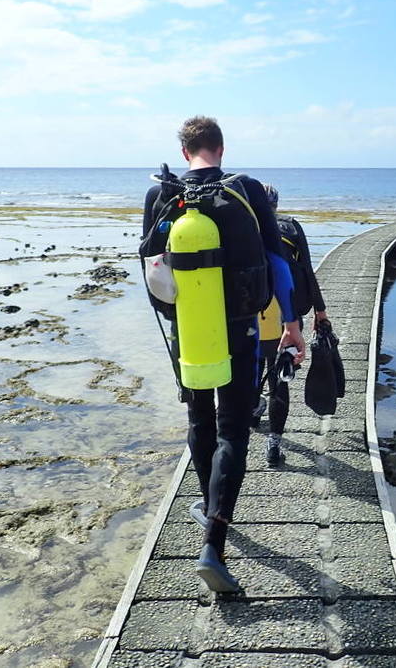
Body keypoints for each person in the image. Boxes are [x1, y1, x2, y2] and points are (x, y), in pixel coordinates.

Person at [141, 116, 305, 592]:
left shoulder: (160, 194)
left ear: (185, 149)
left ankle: (204, 501)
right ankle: (213, 542)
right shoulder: (247, 189)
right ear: (221, 148)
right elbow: (278, 265)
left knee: (200, 422)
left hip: (188, 330)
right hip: (241, 330)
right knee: (234, 426)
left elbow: (153, 270)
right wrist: (291, 325)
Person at [254, 184, 330, 466]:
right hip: (286, 315)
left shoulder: (241, 229)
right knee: (279, 380)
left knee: (252, 371)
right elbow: (307, 271)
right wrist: (320, 313)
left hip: (250, 316)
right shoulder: (290, 227)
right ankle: (273, 446)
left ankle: (253, 408)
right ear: (275, 204)